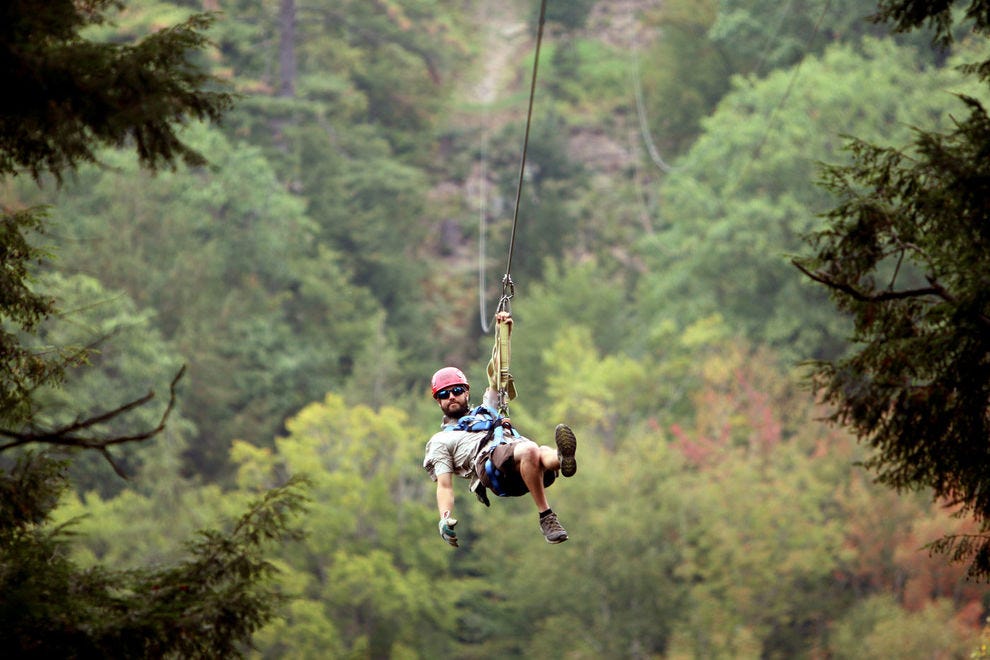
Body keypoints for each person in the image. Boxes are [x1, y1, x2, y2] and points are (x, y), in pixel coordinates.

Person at [422, 311, 577, 545]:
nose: (451, 396)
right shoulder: (440, 441)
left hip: (525, 467)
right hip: (492, 468)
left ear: (466, 392)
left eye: (456, 390)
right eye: (444, 394)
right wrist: (444, 519)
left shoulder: (487, 409)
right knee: (530, 449)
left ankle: (562, 459)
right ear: (438, 401)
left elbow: (498, 374)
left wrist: (503, 332)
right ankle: (546, 516)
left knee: (540, 451)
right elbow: (444, 486)